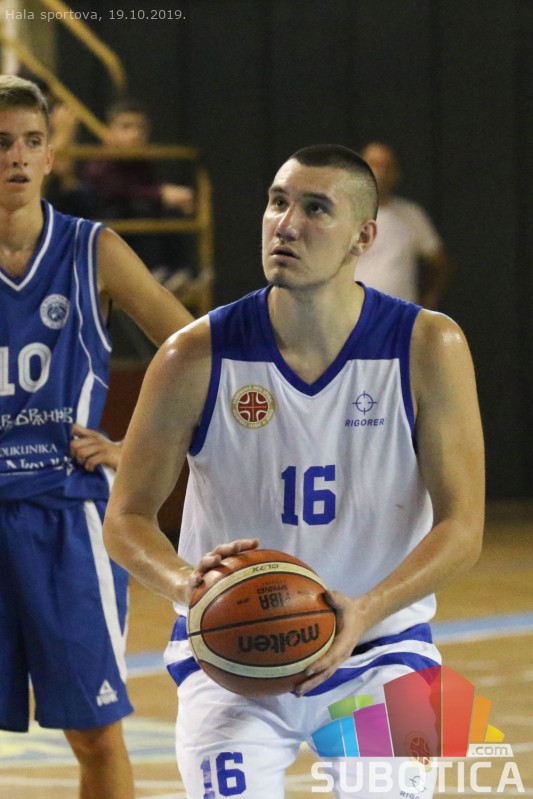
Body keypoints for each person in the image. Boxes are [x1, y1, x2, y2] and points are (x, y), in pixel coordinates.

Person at [103, 144, 485, 798]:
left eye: (315, 209)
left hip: (386, 649)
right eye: (277, 202)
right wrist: (189, 584)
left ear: (363, 237)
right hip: (231, 658)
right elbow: (126, 518)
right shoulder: (193, 355)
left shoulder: (429, 346)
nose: (286, 224)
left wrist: (364, 610)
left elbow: (462, 527)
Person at [0, 75, 193, 799]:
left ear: (51, 156)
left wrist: (136, 449)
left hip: (68, 515)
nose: (17, 157)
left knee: (94, 733)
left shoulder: (92, 249)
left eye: (32, 141)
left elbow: (192, 346)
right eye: (1, 143)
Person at [83, 98, 195, 287]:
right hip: (111, 228)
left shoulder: (141, 162)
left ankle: (177, 273)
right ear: (109, 132)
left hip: (134, 220)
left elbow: (146, 189)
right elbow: (117, 191)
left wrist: (169, 197)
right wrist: (162, 194)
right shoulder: (99, 164)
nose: (135, 134)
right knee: (141, 210)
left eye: (140, 128)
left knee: (168, 213)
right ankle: (151, 273)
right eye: (126, 127)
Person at [355, 141, 454, 309]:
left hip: (400, 315)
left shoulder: (412, 215)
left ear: (396, 173)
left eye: (386, 166)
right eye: (373, 164)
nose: (380, 172)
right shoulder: (343, 214)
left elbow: (440, 263)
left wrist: (430, 298)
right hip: (354, 315)